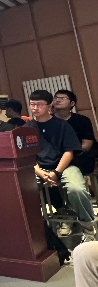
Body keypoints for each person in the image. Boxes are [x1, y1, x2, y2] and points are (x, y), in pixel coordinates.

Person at [26, 90, 96, 242]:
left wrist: (56, 172)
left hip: (65, 167)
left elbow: (69, 152)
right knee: (23, 190)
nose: (35, 108)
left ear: (49, 105)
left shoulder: (62, 125)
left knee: (76, 189)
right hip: (39, 168)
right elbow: (27, 156)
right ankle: (36, 232)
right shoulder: (27, 128)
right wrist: (39, 172)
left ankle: (88, 226)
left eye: (39, 104)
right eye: (32, 104)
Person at [52, 89, 97, 175]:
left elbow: (87, 144)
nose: (57, 100)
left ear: (72, 103)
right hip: (55, 158)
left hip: (79, 156)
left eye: (62, 98)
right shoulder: (48, 121)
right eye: (56, 98)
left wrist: (69, 153)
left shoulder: (82, 120)